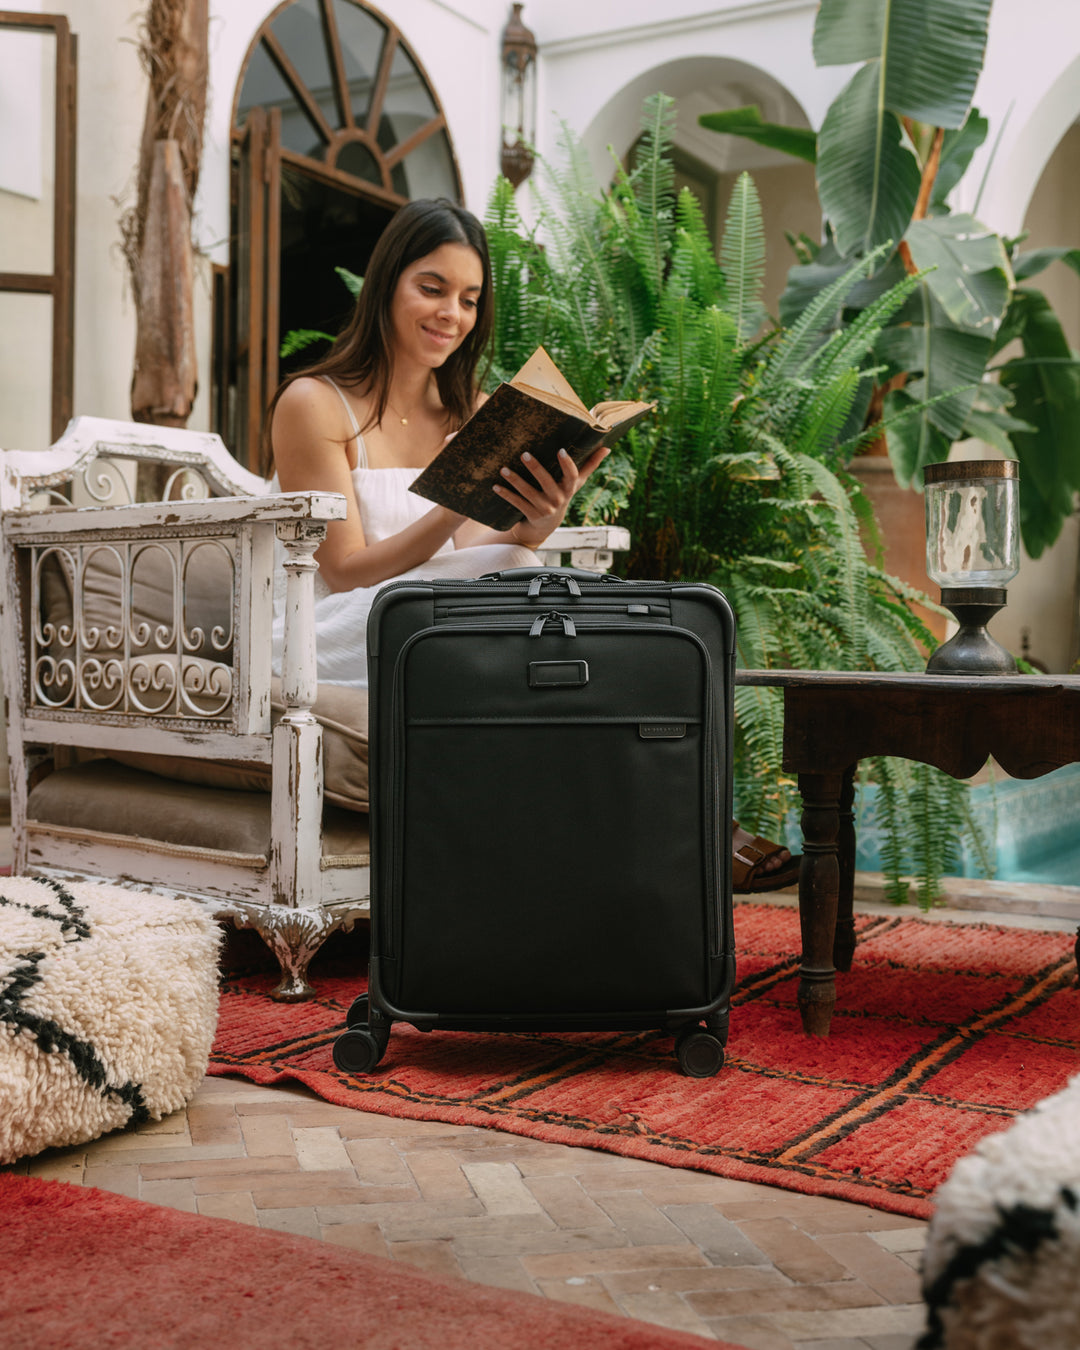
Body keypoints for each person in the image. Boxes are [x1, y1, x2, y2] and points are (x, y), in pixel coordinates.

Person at [267, 196, 798, 893]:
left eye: (469, 298)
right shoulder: (314, 401)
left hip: (432, 618)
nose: (450, 315)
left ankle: (682, 822)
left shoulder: (466, 409)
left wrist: (538, 516)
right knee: (514, 574)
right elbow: (343, 571)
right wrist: (456, 491)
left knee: (520, 565)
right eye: (431, 289)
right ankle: (691, 830)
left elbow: (476, 546)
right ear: (386, 282)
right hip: (327, 629)